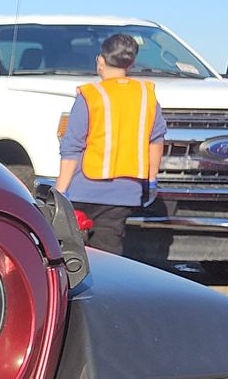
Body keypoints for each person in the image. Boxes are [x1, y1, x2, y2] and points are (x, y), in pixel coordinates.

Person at [54, 33, 165, 255]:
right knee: (109, 251)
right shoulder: (146, 95)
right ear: (131, 63)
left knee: (72, 253)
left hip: (84, 188)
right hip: (125, 191)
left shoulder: (90, 95)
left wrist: (60, 190)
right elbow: (155, 142)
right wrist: (151, 181)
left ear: (100, 61)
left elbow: (72, 146)